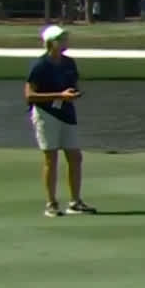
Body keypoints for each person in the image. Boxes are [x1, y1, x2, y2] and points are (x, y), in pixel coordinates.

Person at [24, 24, 96, 217]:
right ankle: (51, 203)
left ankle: (75, 202)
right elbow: (30, 95)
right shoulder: (40, 65)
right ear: (50, 43)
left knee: (75, 157)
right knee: (51, 158)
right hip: (46, 114)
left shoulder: (69, 63)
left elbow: (73, 84)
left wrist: (74, 93)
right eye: (60, 39)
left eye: (65, 38)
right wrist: (59, 95)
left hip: (67, 113)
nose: (65, 41)